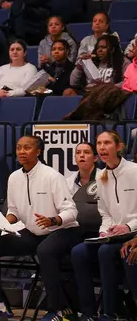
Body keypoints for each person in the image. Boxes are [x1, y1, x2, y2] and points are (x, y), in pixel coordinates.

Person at [0, 136, 81, 321]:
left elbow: (71, 211)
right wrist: (5, 222)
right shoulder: (14, 177)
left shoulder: (52, 176)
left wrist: (53, 220)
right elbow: (14, 210)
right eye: (19, 148)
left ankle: (60, 310)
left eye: (27, 148)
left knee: (45, 250)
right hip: (33, 232)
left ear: (38, 151)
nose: (22, 151)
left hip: (62, 230)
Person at [71, 131, 137, 321]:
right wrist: (103, 231)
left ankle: (110, 312)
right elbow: (105, 213)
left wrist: (128, 226)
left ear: (118, 147)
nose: (101, 147)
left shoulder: (134, 171)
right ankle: (89, 312)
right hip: (113, 235)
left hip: (132, 234)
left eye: (107, 143)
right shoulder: (102, 177)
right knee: (78, 252)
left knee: (105, 252)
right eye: (99, 143)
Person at [66, 142, 101, 238]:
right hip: (75, 227)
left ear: (95, 158)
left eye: (86, 152)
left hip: (99, 227)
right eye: (78, 152)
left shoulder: (104, 179)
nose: (81, 155)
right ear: (75, 158)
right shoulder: (68, 182)